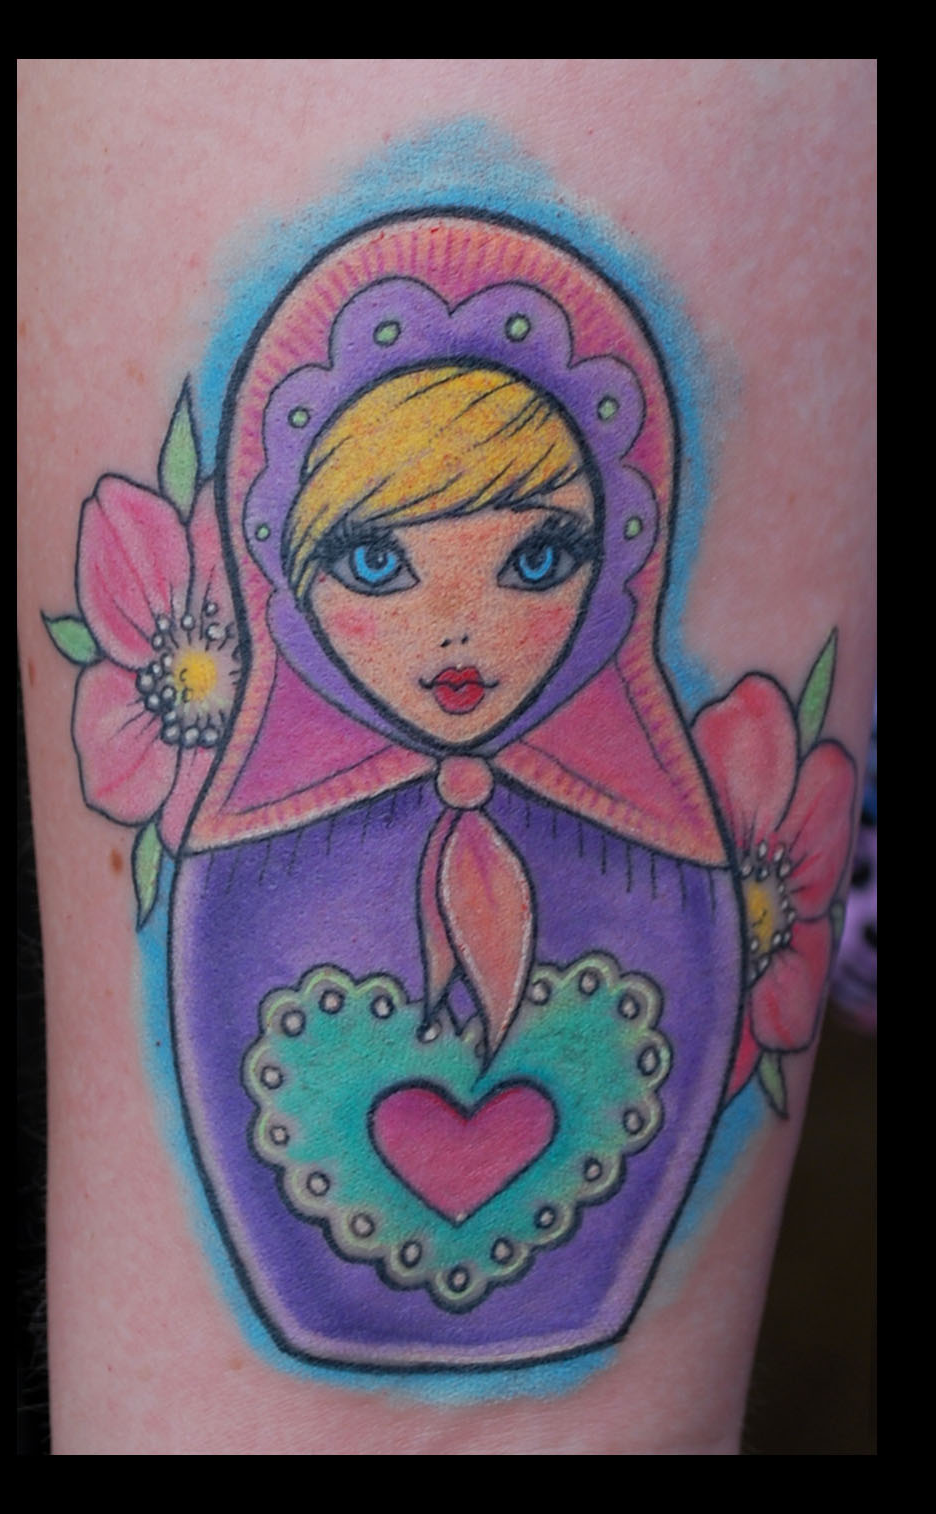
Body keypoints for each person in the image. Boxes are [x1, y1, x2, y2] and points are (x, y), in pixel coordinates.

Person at [174, 216, 743, 1364]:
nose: (457, 632)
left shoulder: (662, 856)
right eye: (375, 561)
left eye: (536, 559)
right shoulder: (247, 860)